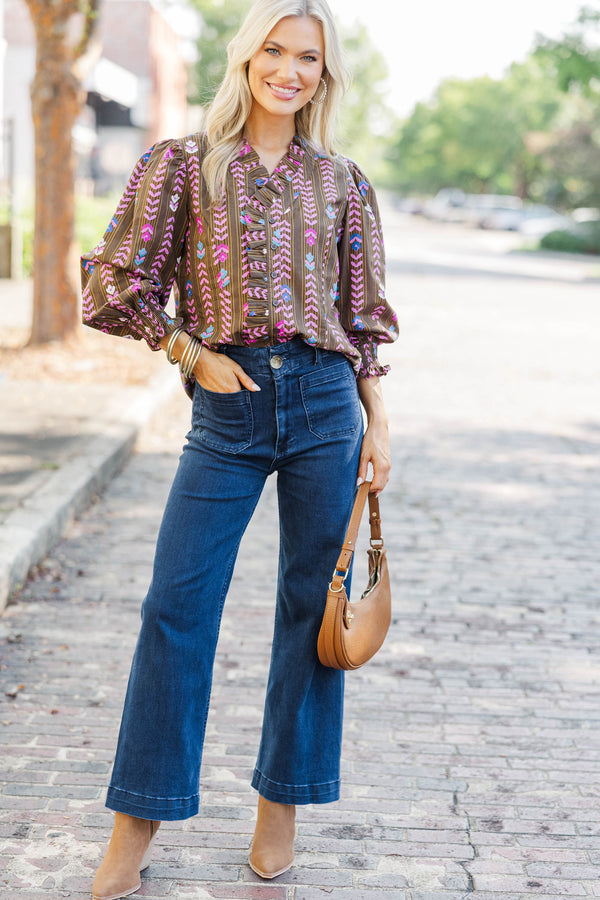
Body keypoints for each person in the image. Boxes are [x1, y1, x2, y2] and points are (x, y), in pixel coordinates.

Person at [81, 0, 398, 896]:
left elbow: (363, 322)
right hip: (228, 409)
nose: (289, 71)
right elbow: (111, 283)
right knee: (175, 606)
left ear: (324, 75)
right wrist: (190, 354)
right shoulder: (183, 166)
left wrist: (379, 424)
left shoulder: (343, 183)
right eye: (275, 51)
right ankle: (137, 820)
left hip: (327, 405)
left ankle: (280, 804)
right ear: (247, 57)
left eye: (308, 58)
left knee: (310, 609)